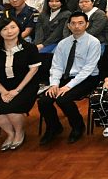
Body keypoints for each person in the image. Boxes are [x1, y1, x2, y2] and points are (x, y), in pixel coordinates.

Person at [38, 11, 102, 145]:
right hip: (66, 77)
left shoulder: (93, 42)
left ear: (87, 24)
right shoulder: (63, 43)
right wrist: (54, 84)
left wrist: (68, 87)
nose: (77, 26)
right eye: (73, 23)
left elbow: (88, 69)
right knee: (44, 100)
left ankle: (78, 127)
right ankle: (54, 127)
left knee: (63, 99)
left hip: (88, 78)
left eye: (80, 23)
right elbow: (56, 66)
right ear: (68, 26)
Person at [0, 19, 41, 151]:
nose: (9, 32)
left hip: (25, 86)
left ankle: (19, 133)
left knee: (13, 111)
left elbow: (33, 70)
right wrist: (3, 91)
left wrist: (17, 90)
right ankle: (10, 134)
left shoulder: (30, 48)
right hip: (1, 87)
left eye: (13, 27)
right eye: (5, 29)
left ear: (19, 29)